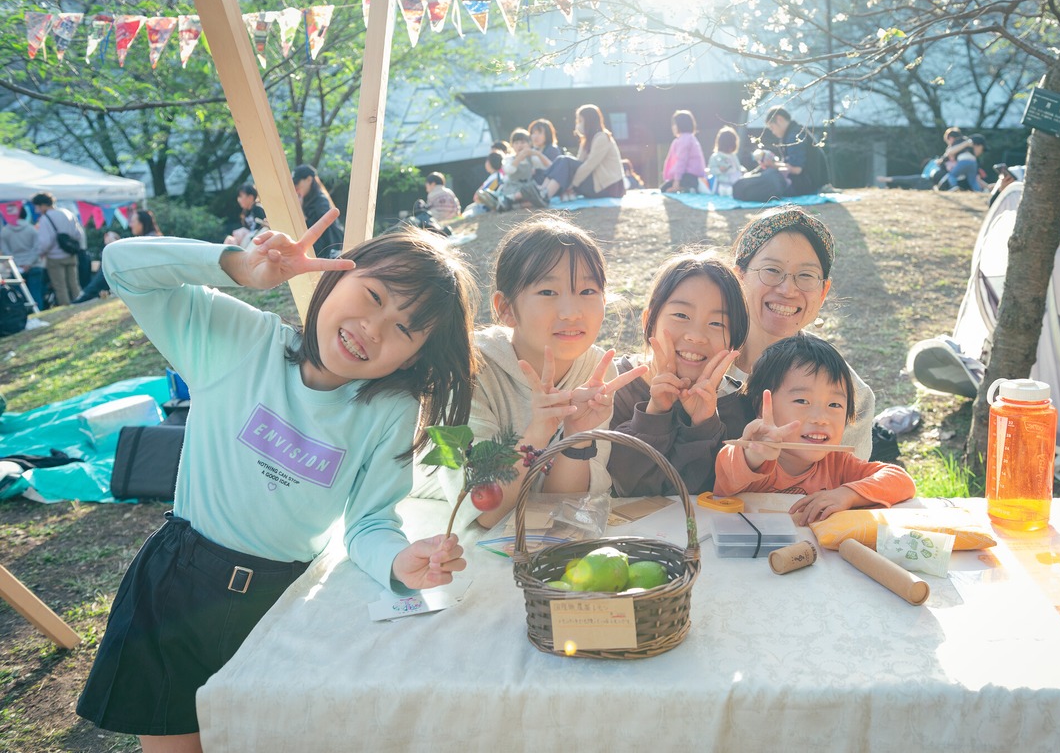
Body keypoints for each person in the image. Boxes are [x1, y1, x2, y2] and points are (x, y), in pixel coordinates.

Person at [76, 210, 476, 752]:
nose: (372, 329)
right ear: (337, 274)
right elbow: (120, 264)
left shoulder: (389, 409)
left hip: (282, 601)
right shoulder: (240, 340)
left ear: (416, 356)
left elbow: (370, 521)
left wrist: (397, 562)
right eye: (375, 296)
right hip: (177, 586)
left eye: (404, 329)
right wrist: (239, 266)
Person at [413, 215, 645, 530]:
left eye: (588, 291)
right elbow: (484, 510)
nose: (572, 312)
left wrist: (576, 437)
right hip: (428, 525)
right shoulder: (462, 369)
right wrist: (538, 432)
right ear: (505, 309)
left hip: (522, 541)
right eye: (548, 292)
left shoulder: (596, 370)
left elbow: (562, 506)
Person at [714, 334, 916, 526]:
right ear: (762, 406)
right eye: (802, 400)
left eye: (835, 405)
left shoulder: (838, 464)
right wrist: (754, 454)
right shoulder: (750, 458)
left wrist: (847, 494)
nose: (821, 418)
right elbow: (729, 473)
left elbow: (900, 480)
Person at [730, 206, 875, 458]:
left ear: (823, 291)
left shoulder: (850, 392)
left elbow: (852, 480)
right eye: (772, 270)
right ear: (739, 277)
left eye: (806, 275)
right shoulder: (696, 365)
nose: (788, 289)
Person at [608, 251, 749, 497]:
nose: (696, 335)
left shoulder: (737, 405)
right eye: (681, 315)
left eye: (717, 323)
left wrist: (704, 424)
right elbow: (627, 490)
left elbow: (698, 497)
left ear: (734, 343)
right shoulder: (615, 388)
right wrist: (655, 412)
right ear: (648, 321)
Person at [733, 106, 824, 202]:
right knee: (768, 175)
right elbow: (791, 165)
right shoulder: (795, 132)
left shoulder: (794, 136)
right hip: (809, 185)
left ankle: (742, 187)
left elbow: (796, 169)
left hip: (805, 186)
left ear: (779, 119)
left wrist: (772, 165)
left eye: (772, 127)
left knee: (769, 178)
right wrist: (773, 164)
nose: (772, 132)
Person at [540, 104, 625, 202]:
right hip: (596, 182)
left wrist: (572, 185)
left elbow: (589, 165)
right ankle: (542, 190)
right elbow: (579, 162)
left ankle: (545, 195)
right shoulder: (587, 140)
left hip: (608, 187)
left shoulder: (602, 137)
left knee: (565, 160)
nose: (577, 124)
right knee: (561, 159)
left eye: (580, 121)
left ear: (589, 121)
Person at [31, 191, 83, 307]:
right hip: (70, 253)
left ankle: (65, 308)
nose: (37, 210)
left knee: (60, 286)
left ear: (43, 205)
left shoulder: (45, 219)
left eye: (37, 207)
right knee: (74, 283)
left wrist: (40, 253)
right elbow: (78, 234)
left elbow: (46, 242)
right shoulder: (67, 213)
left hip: (54, 257)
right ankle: (80, 305)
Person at [292, 164, 345, 259]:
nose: (295, 186)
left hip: (327, 253)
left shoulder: (320, 201)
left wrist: (300, 212)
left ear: (309, 180)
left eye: (297, 183)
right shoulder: (305, 200)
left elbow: (319, 230)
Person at [1, 206, 44, 310]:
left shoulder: (5, 231)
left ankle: (22, 315)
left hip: (16, 267)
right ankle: (39, 313)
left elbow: (6, 251)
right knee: (36, 293)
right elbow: (38, 248)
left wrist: (17, 263)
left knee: (19, 295)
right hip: (34, 265)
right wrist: (28, 263)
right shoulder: (32, 229)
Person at [498, 128, 547, 210]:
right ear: (512, 145)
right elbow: (510, 170)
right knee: (530, 191)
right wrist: (520, 156)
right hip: (513, 188)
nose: (519, 145)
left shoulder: (531, 158)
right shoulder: (509, 159)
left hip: (528, 187)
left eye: (523, 142)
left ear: (529, 144)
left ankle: (512, 205)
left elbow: (547, 166)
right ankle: (509, 199)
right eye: (516, 143)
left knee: (539, 198)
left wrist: (538, 154)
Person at [661, 110, 707, 194]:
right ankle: (687, 188)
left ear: (680, 125)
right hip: (690, 176)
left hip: (689, 177)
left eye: (674, 124)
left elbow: (681, 161)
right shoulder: (688, 138)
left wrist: (676, 181)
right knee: (665, 187)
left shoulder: (684, 139)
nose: (673, 127)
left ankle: (688, 189)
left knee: (664, 189)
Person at [74, 231, 121, 304]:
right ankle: (85, 294)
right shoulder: (108, 252)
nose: (105, 237)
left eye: (107, 236)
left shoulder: (114, 248)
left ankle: (84, 294)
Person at [707, 127, 746, 196]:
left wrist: (742, 170)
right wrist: (719, 170)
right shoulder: (715, 157)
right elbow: (711, 170)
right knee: (725, 190)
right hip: (721, 183)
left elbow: (738, 167)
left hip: (734, 182)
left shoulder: (733, 156)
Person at [528, 118, 562, 185]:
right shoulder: (531, 149)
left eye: (539, 133)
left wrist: (538, 155)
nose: (535, 136)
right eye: (533, 133)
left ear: (547, 134)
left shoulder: (552, 149)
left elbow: (555, 170)